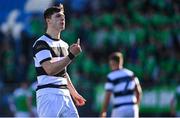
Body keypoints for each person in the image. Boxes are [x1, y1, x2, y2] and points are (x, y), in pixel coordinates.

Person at [32, 4, 86, 117]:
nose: (62, 19)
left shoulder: (64, 44)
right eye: (58, 16)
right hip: (48, 94)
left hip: (65, 94)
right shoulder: (41, 43)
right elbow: (50, 69)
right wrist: (71, 55)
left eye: (63, 17)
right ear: (48, 21)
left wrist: (74, 93)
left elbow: (63, 72)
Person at [101, 52, 142, 117]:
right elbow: (139, 92)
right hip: (132, 107)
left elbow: (107, 96)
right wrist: (136, 107)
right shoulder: (131, 74)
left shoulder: (111, 76)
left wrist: (103, 111)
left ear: (111, 62)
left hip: (119, 108)